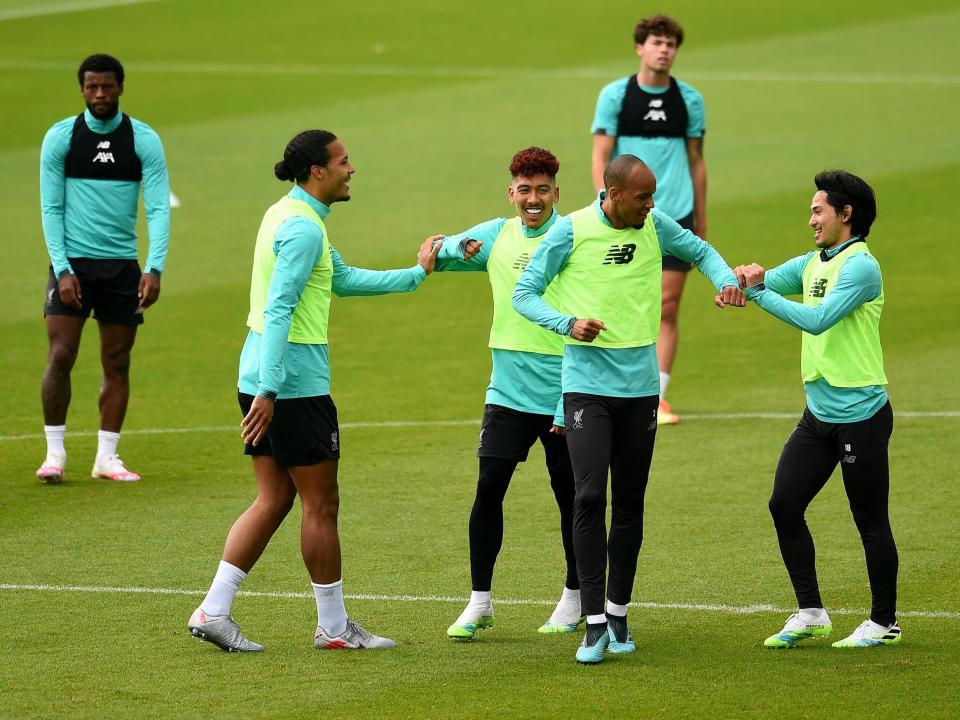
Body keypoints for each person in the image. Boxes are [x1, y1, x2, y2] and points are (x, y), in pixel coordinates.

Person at [187, 129, 442, 652]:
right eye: (344, 161)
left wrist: (416, 274)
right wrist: (271, 391)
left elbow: (340, 279)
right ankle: (332, 627)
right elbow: (280, 307)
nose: (352, 169)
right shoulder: (303, 230)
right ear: (317, 171)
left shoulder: (287, 214)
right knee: (320, 504)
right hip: (291, 387)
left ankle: (214, 609)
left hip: (259, 374)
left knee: (275, 495)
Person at [513, 154, 743, 664]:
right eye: (643, 197)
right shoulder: (570, 232)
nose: (653, 205)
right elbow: (524, 295)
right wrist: (566, 323)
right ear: (613, 194)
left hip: (639, 390)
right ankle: (593, 623)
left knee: (631, 501)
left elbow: (701, 251)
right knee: (590, 495)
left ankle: (618, 611)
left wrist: (725, 279)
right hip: (586, 389)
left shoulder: (656, 226)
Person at [736, 171, 901, 649]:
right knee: (784, 504)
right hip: (819, 414)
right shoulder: (815, 262)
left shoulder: (860, 268)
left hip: (861, 416)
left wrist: (758, 293)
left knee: (869, 519)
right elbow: (764, 277)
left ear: (845, 215)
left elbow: (818, 318)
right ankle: (811, 612)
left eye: (817, 210)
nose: (810, 219)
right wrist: (742, 280)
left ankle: (884, 622)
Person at [431, 147, 581, 640]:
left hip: (565, 389)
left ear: (557, 193)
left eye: (542, 190)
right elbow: (436, 251)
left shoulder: (574, 237)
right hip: (508, 393)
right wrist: (456, 248)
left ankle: (574, 597)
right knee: (488, 490)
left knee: (571, 498)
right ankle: (479, 602)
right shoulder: (497, 233)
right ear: (511, 193)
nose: (533, 199)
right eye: (524, 190)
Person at [37, 53, 170, 484]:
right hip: (72, 264)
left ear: (120, 88)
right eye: (92, 87)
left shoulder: (142, 140)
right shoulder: (61, 138)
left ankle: (106, 457)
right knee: (61, 354)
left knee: (117, 360)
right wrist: (62, 269)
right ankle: (54, 454)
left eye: (107, 86)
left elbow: (158, 211)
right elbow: (51, 207)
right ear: (81, 89)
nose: (99, 94)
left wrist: (154, 268)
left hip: (121, 268)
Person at [590, 14, 706, 425]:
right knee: (626, 303)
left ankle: (657, 396)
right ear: (640, 47)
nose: (664, 50)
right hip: (628, 216)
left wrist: (700, 220)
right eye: (657, 42)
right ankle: (618, 389)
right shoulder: (616, 96)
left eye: (671, 44)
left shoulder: (689, 100)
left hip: (676, 213)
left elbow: (696, 161)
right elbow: (602, 154)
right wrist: (604, 202)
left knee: (667, 306)